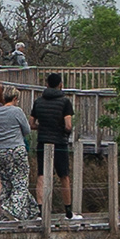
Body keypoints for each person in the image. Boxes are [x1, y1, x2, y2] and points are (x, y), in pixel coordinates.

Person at [32, 74, 79, 213]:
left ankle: (41, 208)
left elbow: (31, 123)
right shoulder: (65, 102)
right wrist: (64, 132)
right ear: (60, 84)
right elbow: (68, 125)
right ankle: (68, 209)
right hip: (59, 142)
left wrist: (42, 128)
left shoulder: (38, 101)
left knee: (41, 174)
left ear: (46, 84)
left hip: (43, 141)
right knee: (64, 175)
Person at [0, 83, 36, 221]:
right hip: (16, 149)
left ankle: (26, 211)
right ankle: (12, 209)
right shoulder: (17, 111)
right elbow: (27, 130)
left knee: (6, 182)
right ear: (15, 98)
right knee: (21, 182)